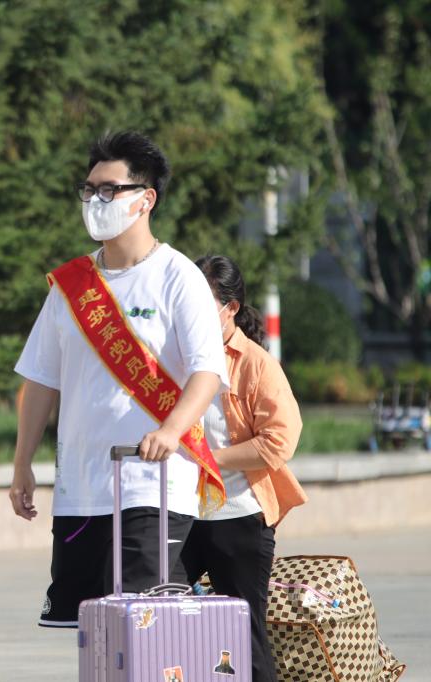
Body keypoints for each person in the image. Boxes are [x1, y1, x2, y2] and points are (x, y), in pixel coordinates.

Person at [10, 130, 229, 627]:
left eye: (109, 190)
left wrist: (171, 430)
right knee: (91, 630)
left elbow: (207, 371)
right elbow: (41, 379)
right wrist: (22, 463)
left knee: (143, 627)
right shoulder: (70, 286)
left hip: (153, 484)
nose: (95, 201)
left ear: (145, 199)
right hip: (80, 486)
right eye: (89, 189)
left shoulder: (178, 277)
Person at [179, 255, 306, 682]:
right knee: (162, 617)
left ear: (230, 308)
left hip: (238, 516)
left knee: (244, 636)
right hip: (180, 513)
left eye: (202, 304)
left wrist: (207, 459)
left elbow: (279, 441)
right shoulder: (176, 356)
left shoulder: (255, 363)